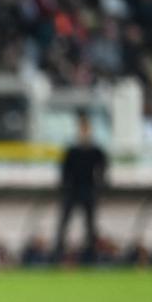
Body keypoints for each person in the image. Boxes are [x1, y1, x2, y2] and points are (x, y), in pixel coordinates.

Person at [54, 112, 108, 263]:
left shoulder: (96, 150)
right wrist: (65, 188)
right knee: (64, 224)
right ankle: (57, 256)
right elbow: (64, 172)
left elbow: (103, 169)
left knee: (90, 226)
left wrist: (99, 187)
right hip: (72, 191)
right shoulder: (72, 151)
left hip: (88, 190)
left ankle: (90, 257)